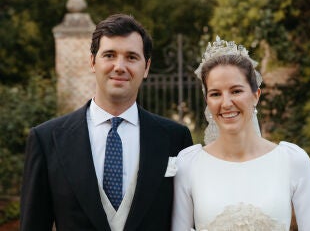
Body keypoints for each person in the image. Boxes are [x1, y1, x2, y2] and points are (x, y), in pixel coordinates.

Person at [20, 13, 193, 231]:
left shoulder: (176, 139)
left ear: (146, 67)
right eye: (109, 55)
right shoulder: (47, 140)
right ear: (93, 62)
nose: (119, 66)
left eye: (131, 57)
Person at [172, 36, 310, 230]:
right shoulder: (188, 164)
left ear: (256, 95)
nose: (226, 103)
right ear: (207, 101)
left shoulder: (293, 160)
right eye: (216, 94)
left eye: (236, 91)